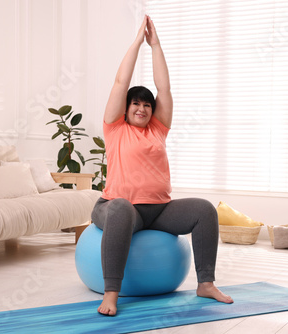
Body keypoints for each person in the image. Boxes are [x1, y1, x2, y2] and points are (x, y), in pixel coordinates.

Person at [91, 15, 233, 316]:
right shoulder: (115, 128)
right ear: (126, 109)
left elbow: (164, 89)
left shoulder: (157, 129)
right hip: (118, 208)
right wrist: (137, 43)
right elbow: (120, 82)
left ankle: (205, 283)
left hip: (158, 210)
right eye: (135, 104)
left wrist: (156, 45)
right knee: (119, 206)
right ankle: (111, 293)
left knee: (204, 209)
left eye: (146, 104)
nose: (141, 108)